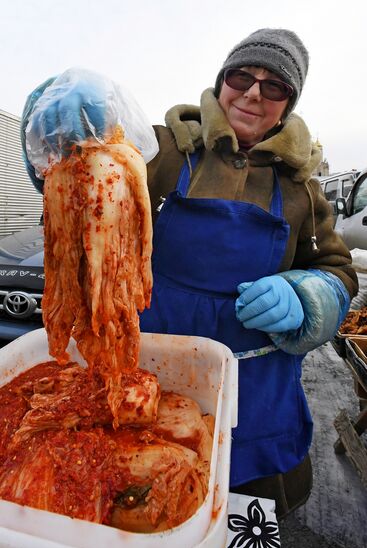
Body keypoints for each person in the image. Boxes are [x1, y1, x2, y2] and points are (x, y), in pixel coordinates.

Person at [21, 28, 358, 519]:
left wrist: (307, 297)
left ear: (288, 103)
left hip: (254, 389)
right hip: (141, 374)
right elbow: (84, 172)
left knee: (238, 521)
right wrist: (55, 124)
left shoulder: (303, 189)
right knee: (132, 508)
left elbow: (337, 270)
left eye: (274, 87)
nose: (253, 92)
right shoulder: (164, 150)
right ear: (222, 81)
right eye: (242, 76)